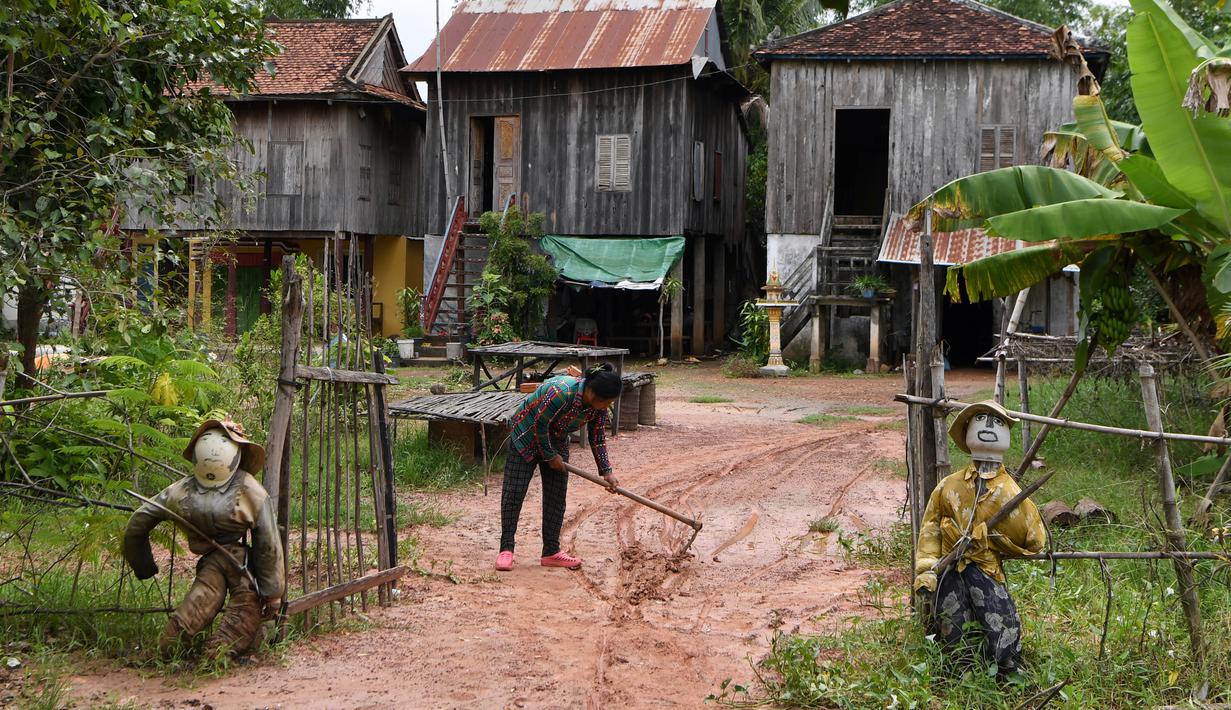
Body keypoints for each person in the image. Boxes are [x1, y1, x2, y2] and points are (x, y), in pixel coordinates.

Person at [123, 418, 285, 658]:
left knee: (200, 601)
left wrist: (143, 564)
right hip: (236, 561)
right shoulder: (252, 492)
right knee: (239, 605)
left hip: (219, 560)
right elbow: (268, 545)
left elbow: (138, 522)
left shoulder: (179, 491)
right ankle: (217, 652)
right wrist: (273, 594)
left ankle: (172, 648)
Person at [913, 400, 1046, 677]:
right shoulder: (948, 486)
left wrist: (994, 536)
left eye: (996, 422)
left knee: (1003, 624)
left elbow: (1033, 540)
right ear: (966, 432)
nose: (988, 427)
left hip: (987, 569)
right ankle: (959, 674)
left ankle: (1009, 675)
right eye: (981, 420)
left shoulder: (1010, 490)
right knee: (951, 624)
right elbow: (930, 530)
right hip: (950, 569)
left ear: (1007, 435)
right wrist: (926, 570)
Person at [496, 363, 623, 571]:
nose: (607, 405)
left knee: (556, 496)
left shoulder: (597, 408)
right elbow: (539, 425)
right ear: (592, 392)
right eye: (607, 401)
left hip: (556, 439)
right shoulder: (561, 392)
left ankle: (551, 552)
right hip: (526, 435)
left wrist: (606, 471)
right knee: (514, 493)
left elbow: (597, 438)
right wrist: (549, 455)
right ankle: (506, 549)